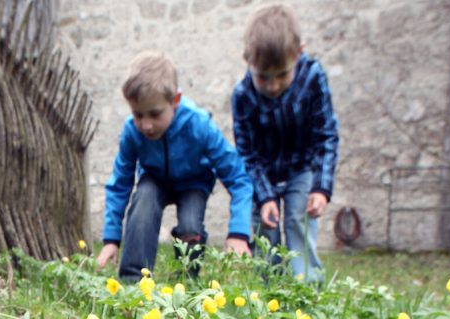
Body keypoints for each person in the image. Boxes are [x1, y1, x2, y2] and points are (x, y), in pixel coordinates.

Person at [97, 50, 253, 282]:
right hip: (154, 178)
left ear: (175, 101)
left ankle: (186, 282)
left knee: (191, 225)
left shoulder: (199, 125)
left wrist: (239, 232)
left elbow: (238, 178)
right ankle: (133, 282)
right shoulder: (132, 131)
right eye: (138, 114)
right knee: (144, 200)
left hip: (194, 182)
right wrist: (111, 239)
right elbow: (120, 183)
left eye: (155, 113)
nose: (146, 125)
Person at [232, 4, 339, 283]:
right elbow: (247, 153)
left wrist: (321, 187)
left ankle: (307, 297)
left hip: (301, 169)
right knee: (266, 232)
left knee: (297, 221)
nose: (272, 85)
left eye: (282, 74)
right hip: (263, 174)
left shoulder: (313, 77)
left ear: (299, 52)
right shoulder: (243, 94)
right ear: (247, 60)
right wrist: (265, 196)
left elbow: (326, 134)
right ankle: (269, 299)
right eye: (262, 76)